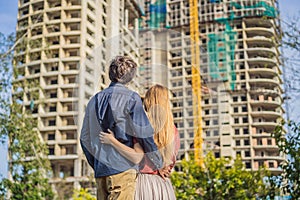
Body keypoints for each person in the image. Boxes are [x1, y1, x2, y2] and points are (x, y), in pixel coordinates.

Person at [80, 56, 163, 200]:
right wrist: (158, 161)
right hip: (122, 170)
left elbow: (84, 138)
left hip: (101, 172)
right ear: (130, 77)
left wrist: (97, 164)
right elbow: (144, 133)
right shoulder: (132, 98)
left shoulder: (93, 100)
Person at [100, 84, 180, 199]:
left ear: (149, 102)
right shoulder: (173, 131)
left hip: (144, 183)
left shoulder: (141, 127)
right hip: (164, 186)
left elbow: (137, 156)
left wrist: (113, 141)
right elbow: (170, 163)